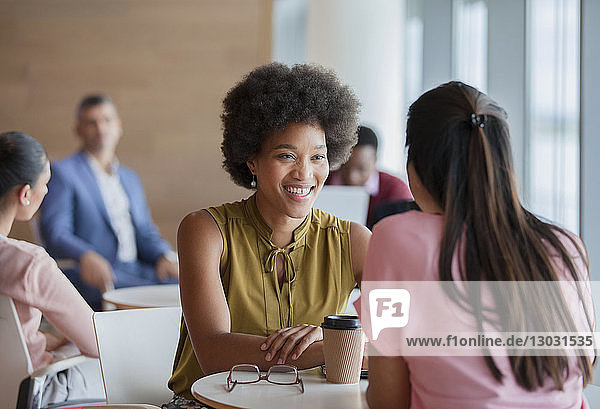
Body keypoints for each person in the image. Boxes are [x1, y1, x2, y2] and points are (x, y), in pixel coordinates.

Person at [359, 82, 595, 408]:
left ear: (416, 165)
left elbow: (388, 400)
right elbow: (579, 376)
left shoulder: (394, 238)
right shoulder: (567, 247)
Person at [163, 63, 371, 408]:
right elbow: (215, 352)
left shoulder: (353, 240)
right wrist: (338, 345)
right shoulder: (205, 230)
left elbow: (400, 334)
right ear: (252, 160)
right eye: (286, 155)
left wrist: (329, 335)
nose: (305, 173)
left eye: (318, 157)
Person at [40, 94, 178, 310]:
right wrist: (86, 255)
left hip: (136, 269)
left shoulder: (130, 178)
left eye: (107, 120)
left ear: (119, 125)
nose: (100, 128)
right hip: (96, 274)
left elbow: (145, 232)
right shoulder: (63, 173)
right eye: (91, 122)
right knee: (163, 296)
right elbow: (56, 233)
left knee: (188, 282)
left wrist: (164, 256)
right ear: (78, 130)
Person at [0, 131, 102, 407]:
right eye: (45, 184)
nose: (46, 192)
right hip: (33, 392)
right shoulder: (29, 262)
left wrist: (42, 338)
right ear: (25, 194)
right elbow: (96, 340)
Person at [326, 125, 412, 229]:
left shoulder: (394, 189)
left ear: (375, 161)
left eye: (361, 169)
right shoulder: (321, 181)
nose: (352, 177)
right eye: (344, 166)